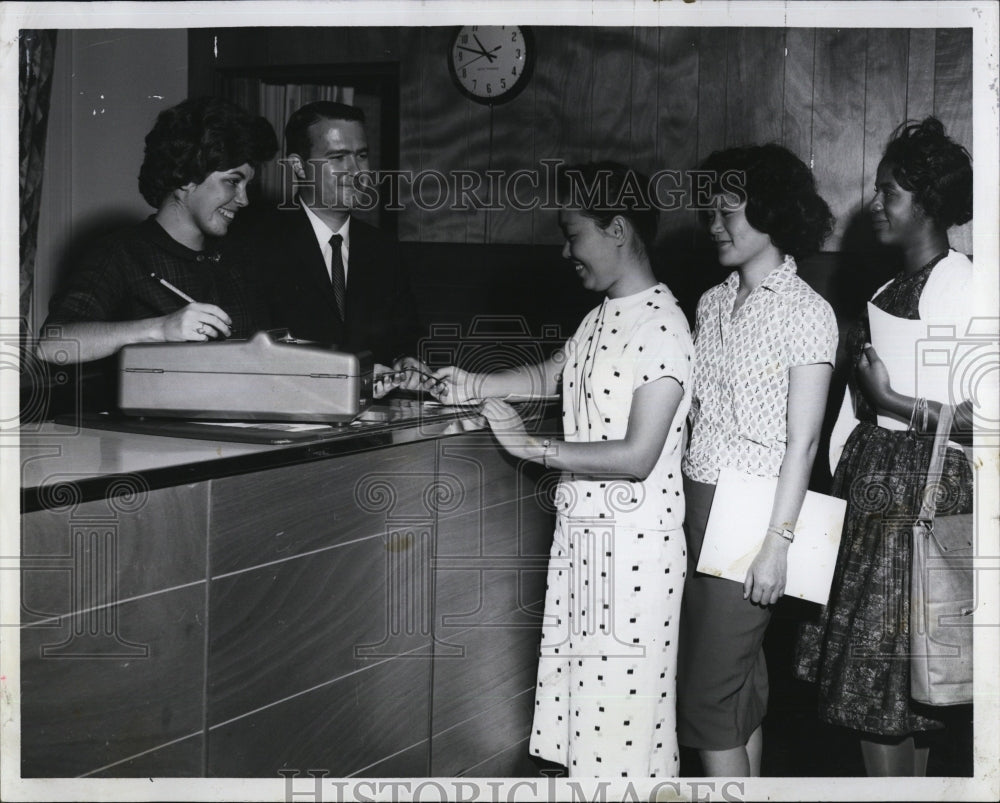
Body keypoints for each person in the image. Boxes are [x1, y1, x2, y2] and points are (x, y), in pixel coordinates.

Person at [431, 162, 694, 778]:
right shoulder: (603, 316)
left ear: (618, 229)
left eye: (573, 234)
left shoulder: (664, 327)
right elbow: (554, 374)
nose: (565, 250)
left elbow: (636, 455)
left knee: (623, 740)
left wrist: (530, 448)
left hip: (634, 558)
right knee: (586, 735)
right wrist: (472, 385)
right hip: (586, 544)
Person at [793, 118, 974, 776]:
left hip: (920, 517)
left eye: (890, 191)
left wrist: (894, 401)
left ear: (925, 199)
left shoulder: (969, 287)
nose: (877, 205)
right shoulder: (884, 292)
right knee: (887, 694)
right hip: (872, 512)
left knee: (899, 689)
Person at [677, 144, 837, 776]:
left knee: (705, 698)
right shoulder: (711, 303)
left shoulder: (807, 312)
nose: (714, 225)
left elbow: (804, 444)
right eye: (709, 213)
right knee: (736, 691)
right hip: (696, 500)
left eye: (729, 212)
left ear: (772, 213)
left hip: (755, 516)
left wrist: (777, 543)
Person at [37, 96, 278, 364]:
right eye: (233, 182)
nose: (244, 200)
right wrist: (159, 328)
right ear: (187, 177)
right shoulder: (121, 253)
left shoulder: (240, 257)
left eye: (247, 185)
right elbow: (51, 345)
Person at [253, 101, 424, 386]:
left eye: (362, 155)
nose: (356, 172)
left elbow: (408, 336)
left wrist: (406, 360)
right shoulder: (259, 246)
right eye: (337, 157)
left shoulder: (383, 249)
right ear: (298, 166)